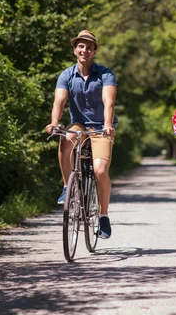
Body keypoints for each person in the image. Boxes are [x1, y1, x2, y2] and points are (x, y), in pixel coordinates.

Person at [45, 30, 117, 239]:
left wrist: (106, 125)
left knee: (100, 171)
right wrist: (55, 123)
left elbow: (108, 102)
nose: (85, 50)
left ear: (95, 51)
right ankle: (67, 186)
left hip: (100, 127)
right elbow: (59, 101)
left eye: (89, 47)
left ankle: (103, 216)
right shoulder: (66, 75)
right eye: (81, 46)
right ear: (75, 49)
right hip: (78, 124)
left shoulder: (105, 74)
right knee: (65, 139)